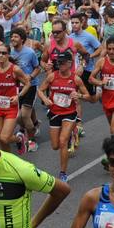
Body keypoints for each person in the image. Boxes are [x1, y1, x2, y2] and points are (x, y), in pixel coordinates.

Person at [38, 52, 92, 182]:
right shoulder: (52, 76)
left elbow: (88, 96)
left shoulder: (76, 79)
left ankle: (63, 173)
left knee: (63, 142)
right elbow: (40, 90)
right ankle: (73, 135)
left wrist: (79, 96)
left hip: (69, 113)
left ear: (69, 63)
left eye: (62, 62)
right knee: (55, 146)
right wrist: (45, 99)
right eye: (58, 62)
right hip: (55, 113)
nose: (59, 65)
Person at [0, 40, 32, 151]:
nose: (0, 55)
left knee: (4, 137)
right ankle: (8, 161)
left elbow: (27, 84)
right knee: (1, 139)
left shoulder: (15, 69)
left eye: (4, 53)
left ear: (8, 55)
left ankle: (20, 139)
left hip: (11, 107)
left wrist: (18, 96)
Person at [9, 28, 42, 153]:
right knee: (20, 116)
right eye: (12, 36)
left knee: (23, 115)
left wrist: (31, 76)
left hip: (30, 87)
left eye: (16, 37)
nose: (13, 39)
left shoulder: (30, 52)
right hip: (15, 88)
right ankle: (33, 125)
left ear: (22, 39)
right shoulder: (10, 53)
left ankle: (31, 140)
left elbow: (37, 68)